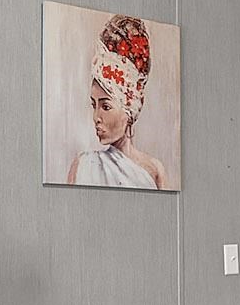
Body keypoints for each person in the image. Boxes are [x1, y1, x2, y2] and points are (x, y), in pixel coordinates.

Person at [67, 14, 167, 188]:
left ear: (129, 108)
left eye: (105, 106)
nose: (96, 117)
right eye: (93, 105)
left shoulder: (154, 170)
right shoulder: (82, 165)